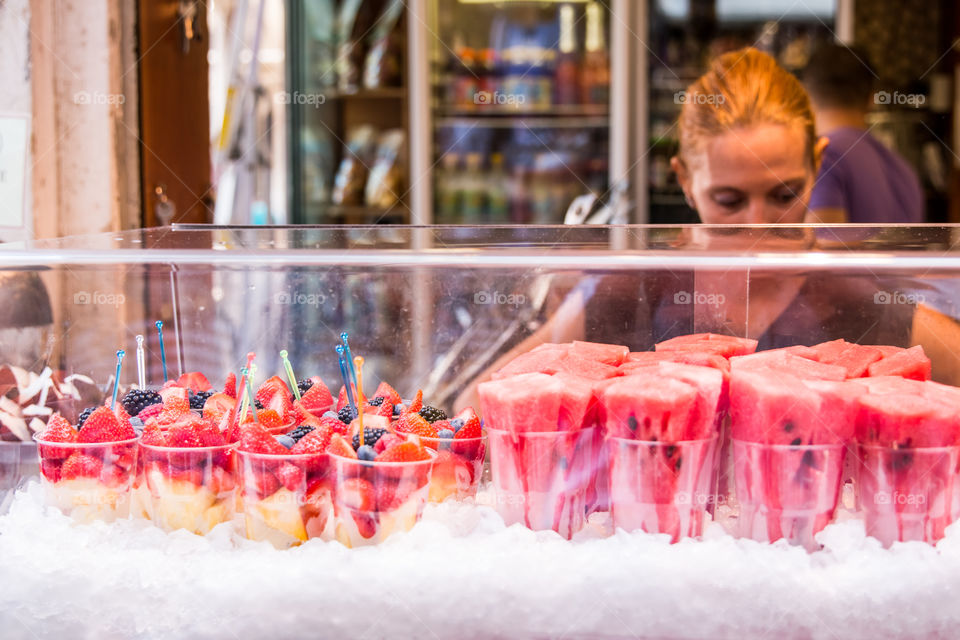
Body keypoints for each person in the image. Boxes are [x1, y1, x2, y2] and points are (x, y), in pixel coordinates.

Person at [448, 48, 924, 410]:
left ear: (817, 163)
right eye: (729, 200)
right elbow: (476, 403)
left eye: (784, 195)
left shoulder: (856, 294)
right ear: (685, 181)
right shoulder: (634, 287)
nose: (757, 225)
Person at [801, 42, 924, 224]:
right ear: (872, 99)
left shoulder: (824, 156)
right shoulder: (903, 170)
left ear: (804, 94)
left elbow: (824, 245)